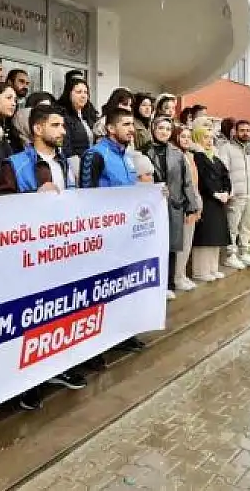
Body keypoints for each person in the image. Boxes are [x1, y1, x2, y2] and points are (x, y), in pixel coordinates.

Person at [0, 104, 89, 408]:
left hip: (65, 252)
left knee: (62, 312)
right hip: (31, 257)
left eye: (63, 126)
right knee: (32, 320)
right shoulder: (15, 164)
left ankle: (59, 369)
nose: (63, 131)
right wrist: (34, 199)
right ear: (38, 128)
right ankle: (28, 382)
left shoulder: (66, 164)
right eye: (57, 125)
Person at [79, 107, 146, 355]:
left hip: (127, 236)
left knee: (123, 286)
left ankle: (123, 334)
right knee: (101, 290)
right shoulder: (95, 155)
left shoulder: (127, 157)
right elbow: (87, 197)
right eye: (126, 124)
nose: (132, 129)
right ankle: (96, 345)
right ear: (110, 129)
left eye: (133, 125)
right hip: (104, 239)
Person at [146, 116, 201, 300]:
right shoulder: (144, 151)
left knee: (170, 246)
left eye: (167, 129)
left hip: (174, 205)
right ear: (153, 129)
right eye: (160, 128)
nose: (164, 132)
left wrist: (191, 205)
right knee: (153, 245)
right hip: (152, 206)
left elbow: (187, 183)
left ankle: (168, 283)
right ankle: (153, 284)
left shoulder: (177, 154)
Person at [218, 120, 250, 269]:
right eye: (242, 130)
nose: (245, 133)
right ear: (235, 131)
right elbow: (223, 171)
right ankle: (229, 255)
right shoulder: (227, 148)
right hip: (236, 195)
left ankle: (244, 252)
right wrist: (228, 191)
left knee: (247, 226)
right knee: (232, 227)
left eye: (247, 130)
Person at [190, 125, 232, 283]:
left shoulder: (214, 157)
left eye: (210, 138)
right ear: (198, 138)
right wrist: (214, 193)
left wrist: (226, 191)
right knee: (205, 237)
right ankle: (201, 270)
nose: (209, 141)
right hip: (206, 201)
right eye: (205, 137)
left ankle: (213, 268)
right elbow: (202, 179)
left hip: (219, 202)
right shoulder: (197, 156)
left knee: (216, 236)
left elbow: (225, 176)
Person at [172, 124, 201, 289]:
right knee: (181, 243)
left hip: (193, 201)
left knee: (188, 241)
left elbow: (194, 183)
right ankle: (177, 277)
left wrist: (197, 203)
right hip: (182, 205)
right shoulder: (176, 156)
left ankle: (182, 274)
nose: (186, 140)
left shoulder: (190, 156)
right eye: (182, 136)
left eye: (188, 137)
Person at [59, 76, 96, 162]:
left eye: (86, 92)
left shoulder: (89, 115)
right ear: (69, 93)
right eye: (79, 92)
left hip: (90, 164)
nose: (83, 96)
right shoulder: (63, 116)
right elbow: (66, 149)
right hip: (75, 166)